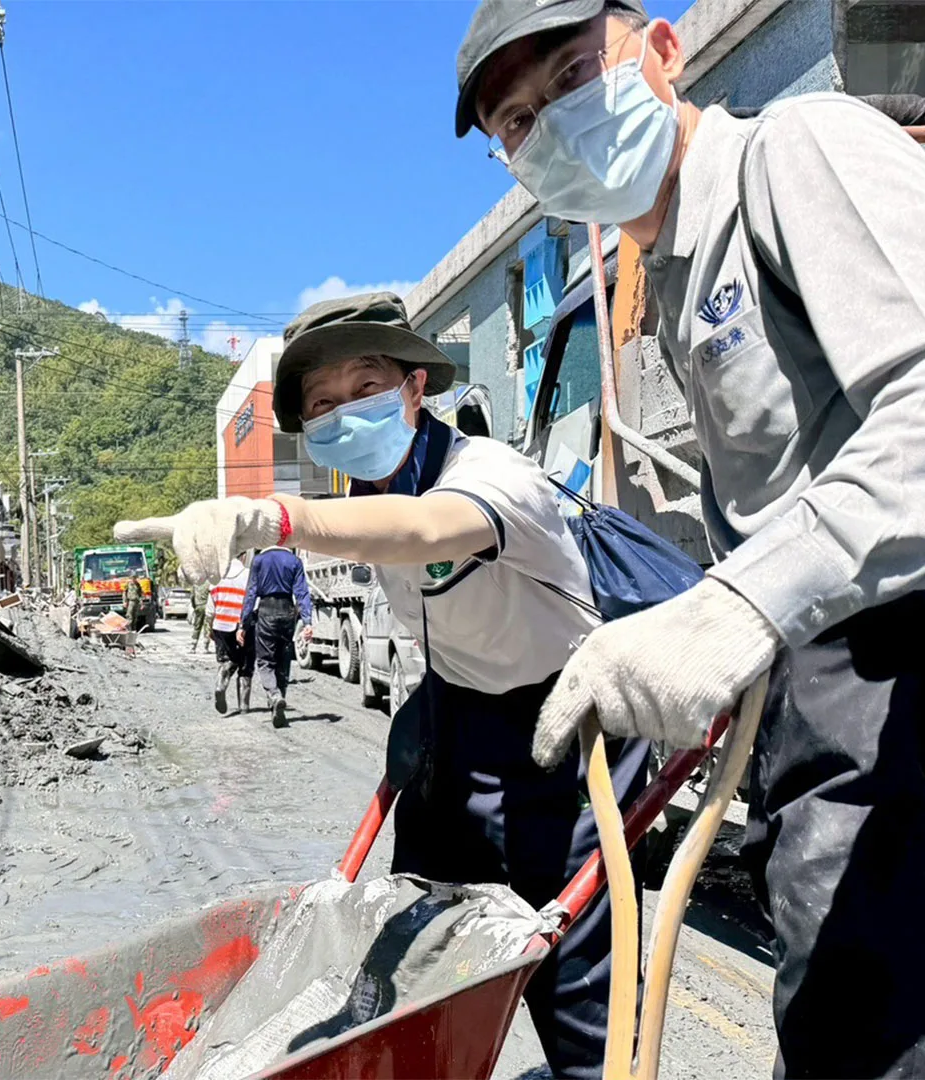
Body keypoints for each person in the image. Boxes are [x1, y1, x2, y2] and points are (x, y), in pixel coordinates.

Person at [454, 2, 925, 1075]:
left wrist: (742, 607)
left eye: (571, 76)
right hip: (833, 675)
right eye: (518, 122)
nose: (550, 125)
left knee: (880, 1053)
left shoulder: (795, 154)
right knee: (828, 1027)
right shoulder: (676, 271)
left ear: (661, 50)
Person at [116, 292, 648, 1076]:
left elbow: (426, 530)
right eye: (322, 403)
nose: (344, 413)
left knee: (567, 965)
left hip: (566, 728)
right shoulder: (365, 495)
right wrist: (435, 706)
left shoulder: (489, 472)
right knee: (413, 931)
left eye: (364, 386)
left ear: (413, 387)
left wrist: (274, 518)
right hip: (457, 717)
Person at [236, 543, 312, 729]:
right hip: (287, 612)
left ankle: (274, 695)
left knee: (265, 661)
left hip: (266, 612)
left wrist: (243, 624)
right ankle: (278, 706)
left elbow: (251, 594)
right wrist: (307, 622)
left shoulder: (259, 560)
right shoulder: (294, 561)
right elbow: (302, 592)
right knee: (283, 660)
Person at [209, 553, 252, 714]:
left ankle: (220, 684)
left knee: (226, 660)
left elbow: (209, 609)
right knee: (245, 664)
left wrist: (210, 628)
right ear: (243, 556)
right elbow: (253, 602)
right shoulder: (248, 575)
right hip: (241, 626)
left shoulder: (216, 577)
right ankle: (244, 706)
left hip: (220, 625)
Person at [188, 579, 212, 653]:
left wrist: (194, 606)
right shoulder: (209, 583)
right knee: (207, 627)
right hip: (207, 606)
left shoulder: (195, 584)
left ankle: (193, 647)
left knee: (197, 627)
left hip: (198, 606)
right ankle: (205, 648)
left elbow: (192, 596)